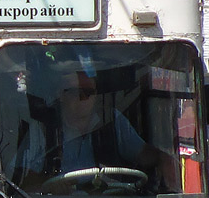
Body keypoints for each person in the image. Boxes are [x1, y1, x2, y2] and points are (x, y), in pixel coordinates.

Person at [14, 69, 176, 191]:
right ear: (61, 95)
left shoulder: (111, 120)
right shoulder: (42, 128)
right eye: (77, 92)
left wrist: (164, 159)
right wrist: (48, 183)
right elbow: (20, 179)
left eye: (90, 93)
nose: (85, 99)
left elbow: (142, 153)